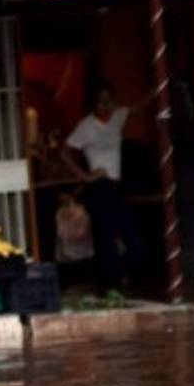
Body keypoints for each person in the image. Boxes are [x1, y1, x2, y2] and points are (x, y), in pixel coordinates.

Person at [61, 82, 145, 293]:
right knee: (105, 240)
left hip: (116, 185)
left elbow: (140, 106)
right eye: (101, 101)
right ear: (94, 103)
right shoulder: (86, 125)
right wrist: (85, 176)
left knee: (132, 241)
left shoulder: (118, 117)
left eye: (109, 100)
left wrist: (159, 87)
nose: (105, 105)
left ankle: (118, 277)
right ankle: (109, 286)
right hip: (99, 186)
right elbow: (64, 152)